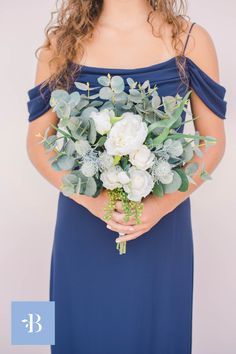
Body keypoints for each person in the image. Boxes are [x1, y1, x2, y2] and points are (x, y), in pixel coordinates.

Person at [26, 1, 227, 353]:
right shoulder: (60, 45)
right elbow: (37, 144)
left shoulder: (189, 41)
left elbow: (213, 143)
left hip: (163, 226)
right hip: (83, 222)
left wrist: (160, 207)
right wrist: (95, 202)